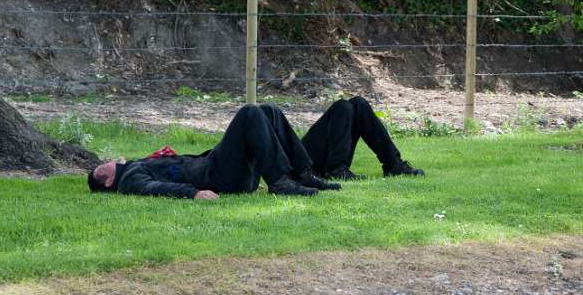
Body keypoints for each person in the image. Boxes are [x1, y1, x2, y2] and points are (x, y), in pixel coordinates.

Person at [88, 97, 424, 200]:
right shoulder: (130, 177)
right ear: (106, 181)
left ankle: (302, 174)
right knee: (250, 112)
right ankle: (280, 181)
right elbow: (154, 187)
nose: (104, 162)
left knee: (267, 111)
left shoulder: (138, 163)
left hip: (217, 167)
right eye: (100, 168)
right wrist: (192, 194)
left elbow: (166, 171)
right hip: (215, 176)